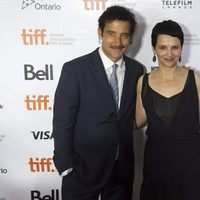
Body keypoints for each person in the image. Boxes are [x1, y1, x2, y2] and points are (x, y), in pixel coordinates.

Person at [52, 5, 144, 200]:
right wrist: (65, 166)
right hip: (82, 170)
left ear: (131, 38)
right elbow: (62, 122)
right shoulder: (75, 70)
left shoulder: (137, 70)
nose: (118, 42)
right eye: (111, 34)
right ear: (100, 33)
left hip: (121, 172)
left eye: (124, 35)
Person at [135, 19, 200, 200]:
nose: (169, 53)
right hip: (156, 166)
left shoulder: (196, 79)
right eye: (163, 47)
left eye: (175, 47)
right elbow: (137, 121)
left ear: (181, 49)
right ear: (154, 49)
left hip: (191, 167)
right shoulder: (143, 82)